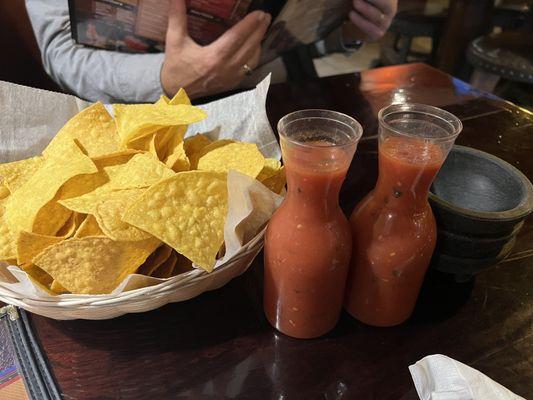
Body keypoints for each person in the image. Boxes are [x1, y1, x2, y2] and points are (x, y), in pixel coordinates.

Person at [25, 0, 397, 103]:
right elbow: (60, 52)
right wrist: (163, 79)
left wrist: (350, 28)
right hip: (139, 123)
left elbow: (300, 40)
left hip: (275, 106)